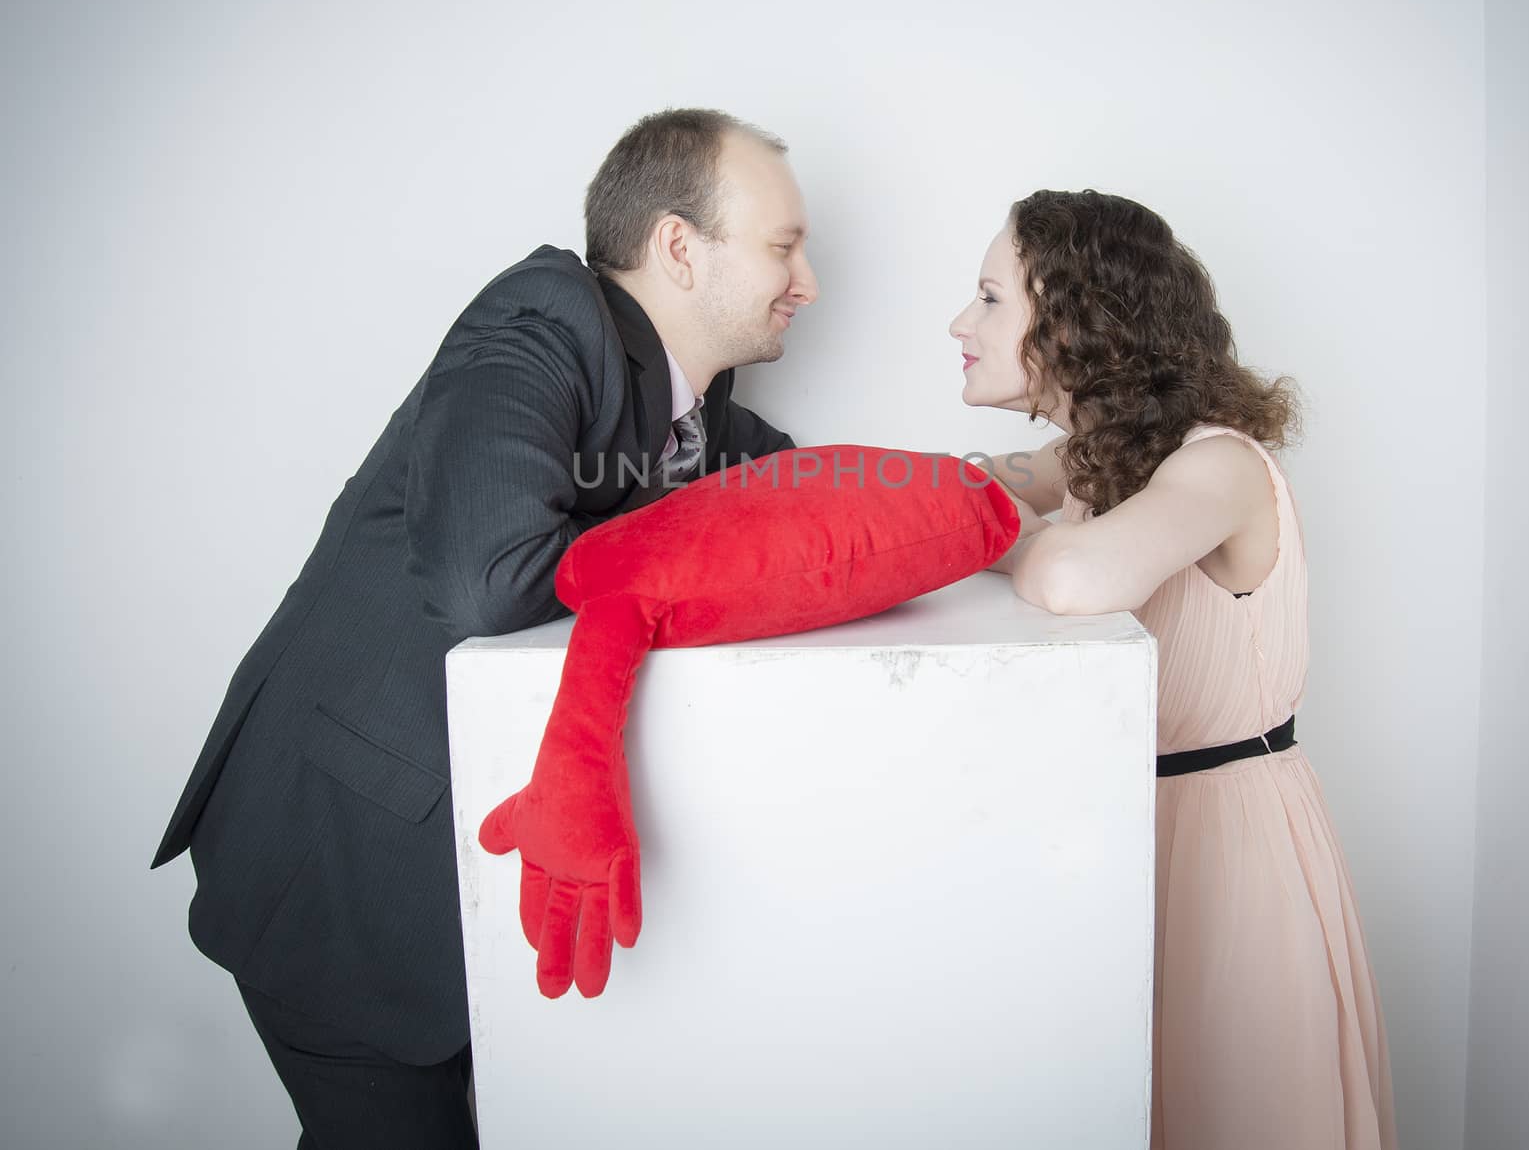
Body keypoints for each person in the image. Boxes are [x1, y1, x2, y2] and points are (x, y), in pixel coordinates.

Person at [151, 108, 818, 1148]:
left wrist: (1002, 493)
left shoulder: (697, 405)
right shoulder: (543, 317)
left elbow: (812, 492)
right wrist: (702, 540)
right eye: (783, 245)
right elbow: (485, 573)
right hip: (341, 851)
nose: (806, 280)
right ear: (678, 247)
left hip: (460, 873)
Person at [950, 189, 1397, 1150]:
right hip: (1131, 835)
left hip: (1232, 845)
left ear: (1074, 321)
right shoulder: (1097, 459)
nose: (960, 322)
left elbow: (1073, 576)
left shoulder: (1220, 464)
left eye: (989, 298)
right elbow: (962, 487)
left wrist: (988, 536)